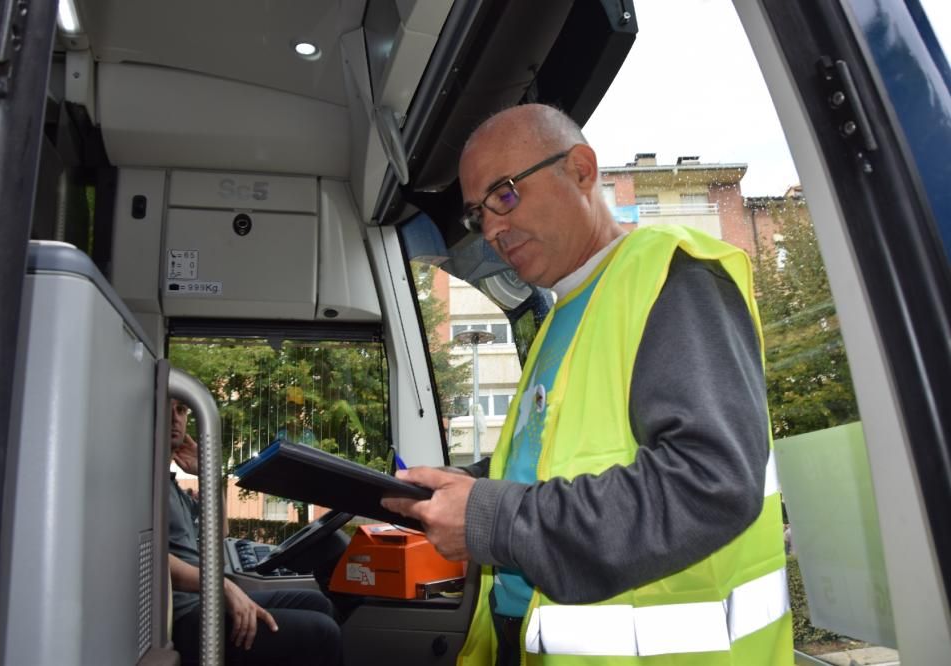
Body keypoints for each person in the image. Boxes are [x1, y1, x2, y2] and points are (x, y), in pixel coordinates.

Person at [382, 104, 792, 665]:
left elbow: (710, 481)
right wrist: (463, 487)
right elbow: (557, 463)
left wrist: (492, 517)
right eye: (480, 214)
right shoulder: (560, 316)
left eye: (504, 195)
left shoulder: (674, 277)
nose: (493, 229)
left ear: (580, 169)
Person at [168, 399, 343, 666]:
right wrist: (222, 586)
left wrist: (207, 472)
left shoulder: (171, 485)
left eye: (181, 410)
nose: (175, 418)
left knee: (319, 602)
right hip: (186, 617)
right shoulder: (144, 481)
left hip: (203, 598)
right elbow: (147, 558)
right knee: (322, 632)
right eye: (167, 408)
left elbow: (219, 531)